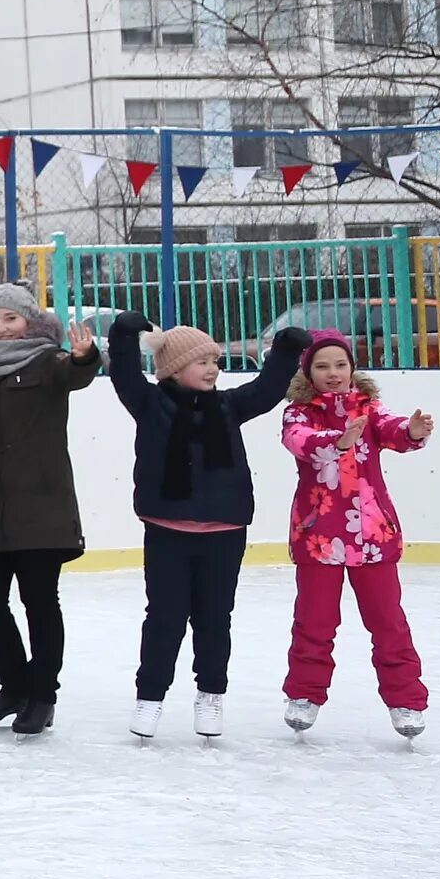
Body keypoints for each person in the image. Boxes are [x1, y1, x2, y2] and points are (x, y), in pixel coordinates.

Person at [105, 314, 308, 740]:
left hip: (224, 531)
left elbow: (268, 390)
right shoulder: (150, 403)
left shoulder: (227, 406)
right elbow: (122, 374)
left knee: (215, 618)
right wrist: (124, 334)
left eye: (215, 360)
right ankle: (150, 697)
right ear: (175, 369)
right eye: (203, 362)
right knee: (164, 617)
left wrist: (287, 350)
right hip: (167, 530)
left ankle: (211, 694)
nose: (214, 368)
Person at [0, 283, 99, 739]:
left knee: (39, 603)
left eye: (10, 319)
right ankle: (14, 686)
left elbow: (76, 374)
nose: (1, 329)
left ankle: (42, 696)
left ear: (29, 323)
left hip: (42, 505)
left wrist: (83, 356)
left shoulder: (48, 362)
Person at [277, 328, 433, 741]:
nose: (333, 373)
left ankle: (406, 700)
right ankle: (305, 694)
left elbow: (391, 429)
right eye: (323, 366)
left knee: (389, 622)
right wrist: (338, 439)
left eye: (341, 364)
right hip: (318, 533)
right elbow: (301, 442)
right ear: (308, 371)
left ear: (352, 368)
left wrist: (412, 430)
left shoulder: (369, 406)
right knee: (315, 621)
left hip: (373, 533)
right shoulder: (299, 412)